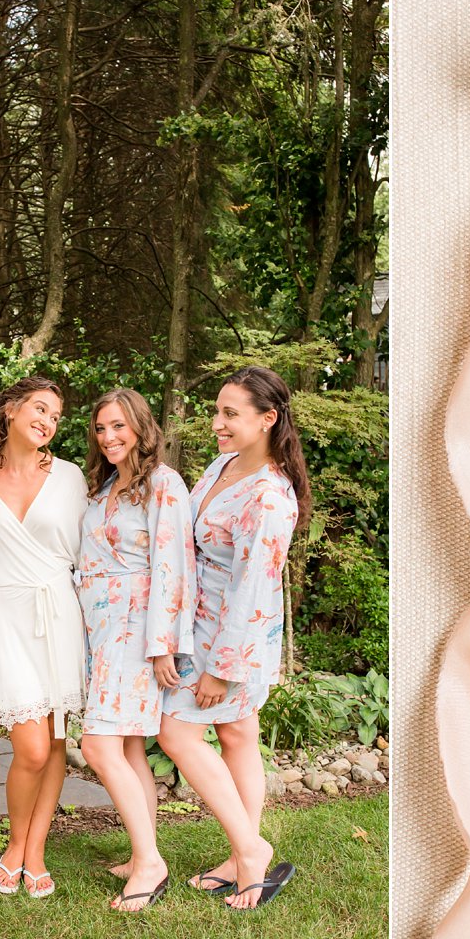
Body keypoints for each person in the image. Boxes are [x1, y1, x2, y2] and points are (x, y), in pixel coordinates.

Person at [159, 366, 312, 910]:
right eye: (217, 411)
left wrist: (222, 668)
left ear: (267, 419)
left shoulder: (269, 498)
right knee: (238, 736)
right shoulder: (224, 465)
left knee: (176, 733)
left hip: (232, 638)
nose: (217, 423)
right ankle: (238, 856)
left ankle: (251, 850)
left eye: (231, 413)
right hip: (198, 623)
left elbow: (252, 589)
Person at [0, 376, 87, 898]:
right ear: (10, 410)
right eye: (39, 408)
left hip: (59, 611)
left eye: (56, 416)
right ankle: (15, 844)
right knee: (31, 746)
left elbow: (92, 548)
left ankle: (34, 850)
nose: (48, 421)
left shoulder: (72, 477)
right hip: (2, 614)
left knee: (55, 739)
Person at [76, 388, 196, 911]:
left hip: (136, 629)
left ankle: (150, 863)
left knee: (99, 746)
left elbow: (174, 565)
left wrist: (164, 644)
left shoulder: (163, 485)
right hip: (100, 630)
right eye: (101, 429)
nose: (109, 438)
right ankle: (140, 849)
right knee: (125, 748)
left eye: (119, 426)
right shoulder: (104, 488)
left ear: (141, 427)